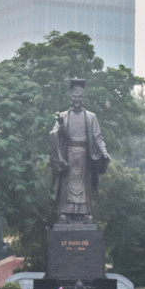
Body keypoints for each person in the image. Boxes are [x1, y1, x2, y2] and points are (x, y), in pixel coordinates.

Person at [49, 79, 111, 223]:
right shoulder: (63, 116)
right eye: (74, 97)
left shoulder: (91, 116)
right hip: (68, 154)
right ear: (71, 98)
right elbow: (53, 134)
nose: (77, 99)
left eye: (79, 97)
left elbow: (98, 136)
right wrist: (60, 130)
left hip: (84, 155)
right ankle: (65, 212)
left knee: (84, 183)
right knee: (67, 183)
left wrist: (104, 151)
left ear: (83, 98)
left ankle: (85, 213)